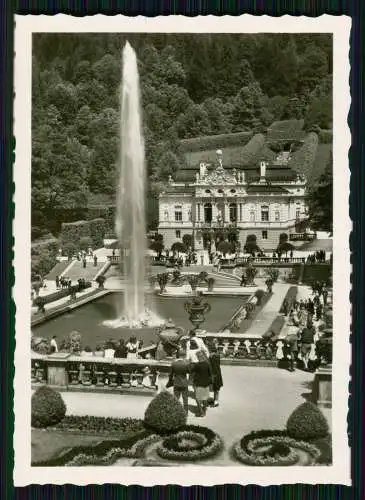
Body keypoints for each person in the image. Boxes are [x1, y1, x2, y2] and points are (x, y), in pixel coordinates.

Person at [166, 349, 191, 414]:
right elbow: (189, 371)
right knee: (185, 399)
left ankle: (175, 412)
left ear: (178, 355)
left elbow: (170, 374)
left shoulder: (174, 363)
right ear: (184, 355)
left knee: (176, 399)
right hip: (184, 383)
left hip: (176, 382)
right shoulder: (186, 363)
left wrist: (170, 381)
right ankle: (186, 412)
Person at [192, 350, 213, 417]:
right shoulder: (207, 364)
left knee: (198, 398)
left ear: (198, 357)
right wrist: (210, 383)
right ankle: (204, 411)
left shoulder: (197, 365)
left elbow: (193, 373)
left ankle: (201, 411)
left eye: (197, 356)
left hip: (198, 383)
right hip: (206, 383)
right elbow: (210, 374)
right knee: (205, 398)